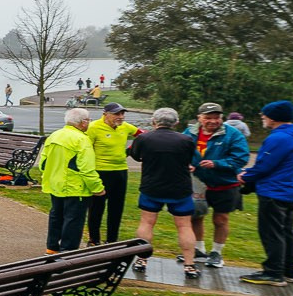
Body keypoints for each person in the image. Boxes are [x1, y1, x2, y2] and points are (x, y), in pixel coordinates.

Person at [240, 100, 293, 285]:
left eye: (264, 114)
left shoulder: (278, 138)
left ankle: (273, 272)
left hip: (273, 191)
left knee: (271, 233)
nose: (262, 117)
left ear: (273, 117)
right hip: (289, 190)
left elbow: (264, 165)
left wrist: (245, 176)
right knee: (286, 232)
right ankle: (289, 270)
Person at [127, 107, 202, 279]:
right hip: (179, 188)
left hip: (151, 186)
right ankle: (189, 265)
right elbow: (193, 159)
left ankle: (141, 260)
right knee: (184, 226)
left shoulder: (144, 138)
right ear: (176, 122)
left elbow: (136, 156)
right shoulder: (186, 140)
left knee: (147, 223)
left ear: (154, 121)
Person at [187, 102, 249, 267]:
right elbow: (181, 151)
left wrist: (217, 164)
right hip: (198, 183)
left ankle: (216, 253)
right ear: (199, 118)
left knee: (220, 219)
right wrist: (186, 164)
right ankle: (199, 249)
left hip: (225, 184)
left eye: (217, 117)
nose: (213, 121)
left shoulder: (233, 134)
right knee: (196, 215)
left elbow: (241, 158)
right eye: (208, 118)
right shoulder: (190, 132)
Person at [34, 107, 103, 253]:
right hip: (75, 187)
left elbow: (43, 163)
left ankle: (52, 247)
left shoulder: (54, 135)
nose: (89, 122)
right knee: (73, 220)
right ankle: (68, 252)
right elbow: (87, 169)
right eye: (88, 120)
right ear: (83, 122)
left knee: (56, 216)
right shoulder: (82, 140)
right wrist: (97, 188)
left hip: (55, 184)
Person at [83, 102, 140, 245]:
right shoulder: (93, 127)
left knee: (116, 208)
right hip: (100, 171)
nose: (120, 117)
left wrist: (130, 150)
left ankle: (112, 240)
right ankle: (94, 240)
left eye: (122, 113)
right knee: (96, 208)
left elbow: (143, 135)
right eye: (116, 114)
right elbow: (85, 149)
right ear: (105, 114)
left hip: (120, 171)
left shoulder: (125, 127)